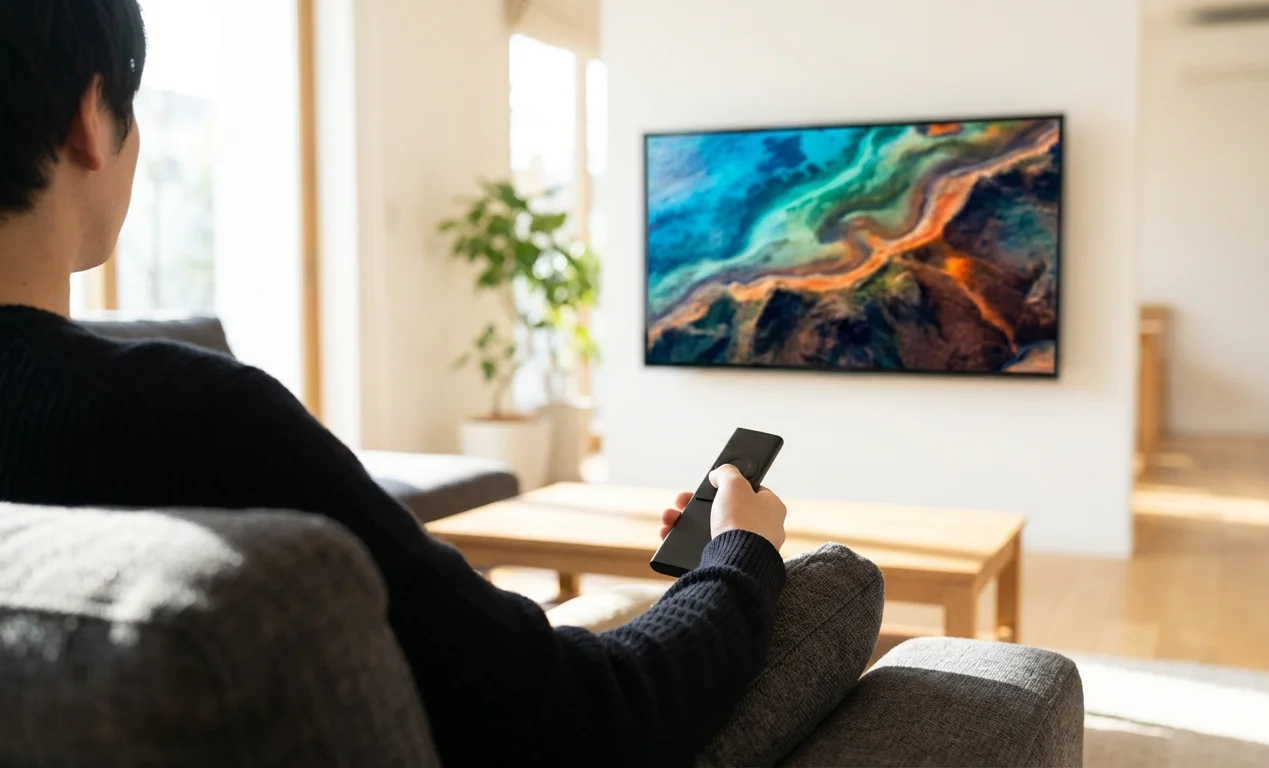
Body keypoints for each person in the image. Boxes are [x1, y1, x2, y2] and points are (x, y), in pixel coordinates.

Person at [0, 2, 790, 765]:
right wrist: (739, 550)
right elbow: (592, 721)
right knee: (834, 584)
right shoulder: (192, 421)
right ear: (88, 116)